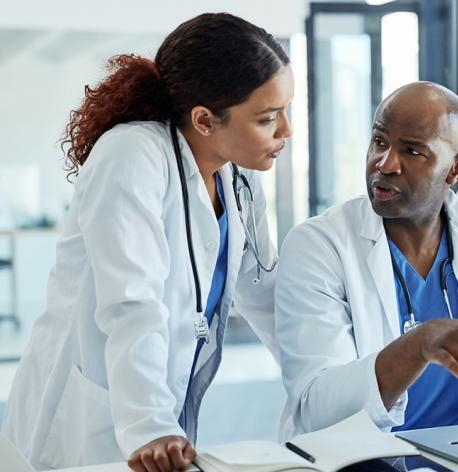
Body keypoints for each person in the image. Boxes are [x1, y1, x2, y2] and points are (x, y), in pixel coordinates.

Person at [1, 13, 293, 471]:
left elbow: (266, 293)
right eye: (268, 118)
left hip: (161, 415)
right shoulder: (131, 154)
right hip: (94, 416)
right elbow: (131, 301)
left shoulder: (238, 179)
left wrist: (331, 376)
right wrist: (151, 425)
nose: (286, 132)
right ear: (204, 120)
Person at [275, 82, 458, 438]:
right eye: (380, 141)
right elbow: (316, 409)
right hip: (362, 461)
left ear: (457, 168)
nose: (385, 163)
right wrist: (420, 344)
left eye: (412, 151)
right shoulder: (319, 246)